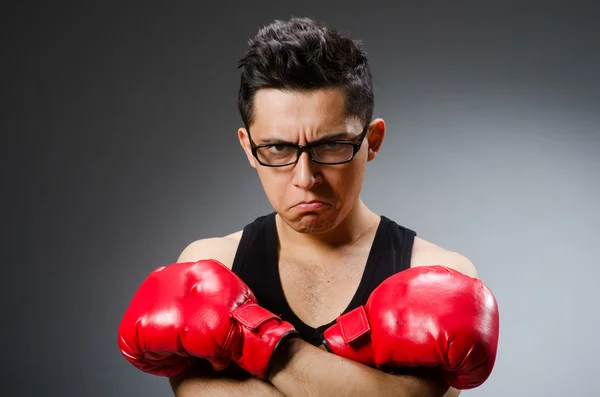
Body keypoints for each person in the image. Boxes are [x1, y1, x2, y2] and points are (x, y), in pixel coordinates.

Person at [117, 17, 500, 397]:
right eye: (279, 148)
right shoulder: (208, 266)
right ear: (249, 148)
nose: (305, 177)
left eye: (330, 146)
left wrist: (251, 340)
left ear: (373, 141)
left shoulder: (438, 278)